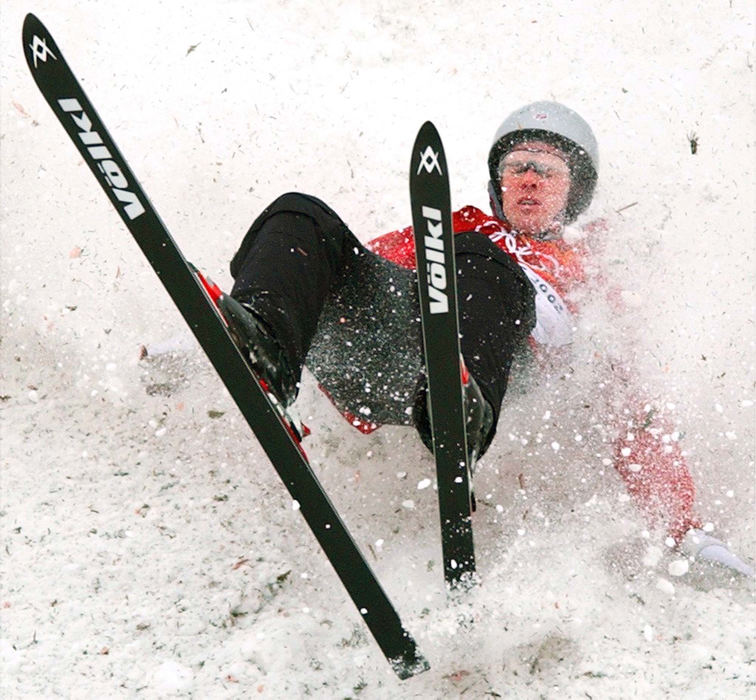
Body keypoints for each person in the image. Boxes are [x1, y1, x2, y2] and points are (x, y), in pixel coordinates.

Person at [218, 101, 753, 577]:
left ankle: (459, 408)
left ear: (576, 192)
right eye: (516, 166)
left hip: (477, 378)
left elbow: (631, 413)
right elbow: (330, 278)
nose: (529, 179)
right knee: (302, 214)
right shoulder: (454, 228)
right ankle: (264, 349)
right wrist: (217, 333)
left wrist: (683, 528)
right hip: (376, 353)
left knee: (480, 260)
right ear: (498, 182)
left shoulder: (593, 282)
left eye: (548, 170)